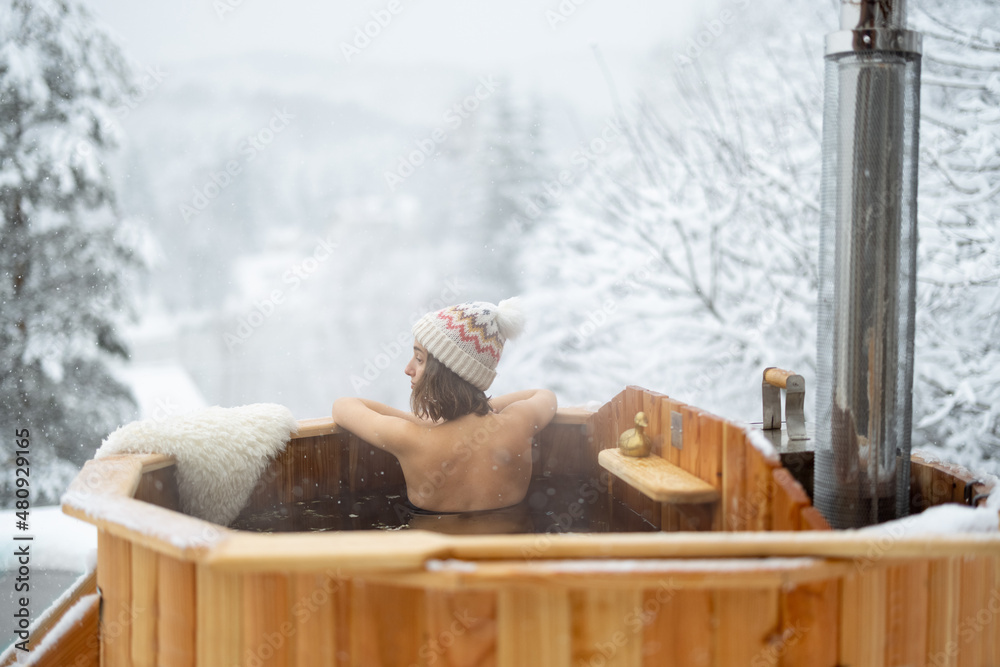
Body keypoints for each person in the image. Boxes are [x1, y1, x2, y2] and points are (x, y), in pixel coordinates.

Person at [331, 297, 557, 513]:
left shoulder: (410, 437)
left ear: (445, 373)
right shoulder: (518, 424)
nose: (408, 369)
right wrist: (481, 407)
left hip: (437, 553)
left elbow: (343, 406)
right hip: (508, 550)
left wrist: (424, 422)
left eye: (419, 360)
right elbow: (544, 395)